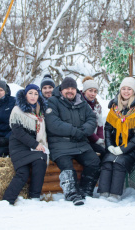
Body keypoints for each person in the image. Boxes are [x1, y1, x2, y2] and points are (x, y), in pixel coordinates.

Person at [45, 77, 101, 206]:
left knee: (94, 162)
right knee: (67, 167)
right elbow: (53, 124)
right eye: (67, 89)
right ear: (61, 89)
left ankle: (86, 191)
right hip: (60, 144)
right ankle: (72, 194)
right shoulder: (52, 102)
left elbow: (92, 118)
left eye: (72, 88)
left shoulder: (82, 102)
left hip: (80, 142)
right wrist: (75, 131)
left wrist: (85, 130)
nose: (70, 91)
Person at [97, 77, 135, 202]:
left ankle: (115, 194)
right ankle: (103, 192)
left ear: (134, 91)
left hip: (131, 148)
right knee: (107, 161)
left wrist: (123, 149)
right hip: (114, 146)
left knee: (119, 162)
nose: (126, 91)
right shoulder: (114, 108)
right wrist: (109, 146)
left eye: (129, 89)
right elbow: (107, 128)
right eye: (123, 88)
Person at [2, 84, 48, 205]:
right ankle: (7, 200)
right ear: (25, 94)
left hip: (32, 147)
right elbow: (18, 132)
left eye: (36, 94)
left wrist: (39, 144)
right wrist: (35, 144)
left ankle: (34, 197)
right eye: (30, 93)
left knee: (40, 160)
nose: (33, 96)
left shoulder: (39, 111)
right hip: (19, 145)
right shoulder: (17, 110)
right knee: (23, 173)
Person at [81, 76, 106, 159]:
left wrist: (100, 140)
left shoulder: (97, 106)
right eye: (90, 90)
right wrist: (97, 140)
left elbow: (100, 125)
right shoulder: (80, 104)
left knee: (104, 151)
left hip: (94, 139)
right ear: (84, 91)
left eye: (95, 91)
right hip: (84, 139)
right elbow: (84, 126)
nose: (93, 94)